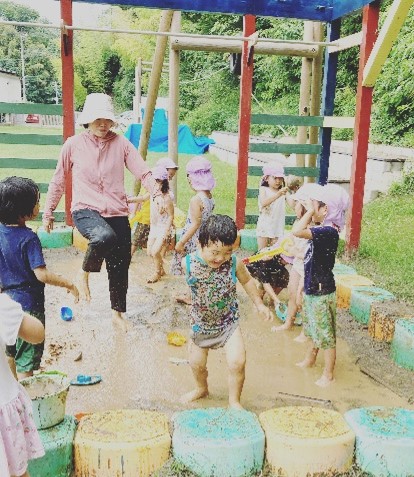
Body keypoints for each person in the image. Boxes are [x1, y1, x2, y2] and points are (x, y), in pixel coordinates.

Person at [42, 93, 162, 329]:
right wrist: (48, 212)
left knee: (120, 265)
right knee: (104, 236)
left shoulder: (121, 144)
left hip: (117, 212)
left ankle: (118, 314)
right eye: (98, 119)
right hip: (85, 210)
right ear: (88, 119)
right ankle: (83, 273)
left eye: (107, 119)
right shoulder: (73, 145)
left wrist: (156, 194)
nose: (103, 124)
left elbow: (143, 172)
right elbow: (58, 180)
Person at [180, 214, 273, 408]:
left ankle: (234, 401)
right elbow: (193, 288)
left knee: (237, 362)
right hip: (200, 325)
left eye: (227, 252)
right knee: (196, 364)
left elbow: (247, 281)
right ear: (200, 244)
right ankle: (201, 388)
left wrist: (259, 304)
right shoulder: (187, 263)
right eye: (215, 252)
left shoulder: (234, 263)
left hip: (228, 323)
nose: (220, 258)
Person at [0, 177, 79, 380]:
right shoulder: (29, 238)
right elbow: (41, 274)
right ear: (24, 210)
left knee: (10, 354)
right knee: (26, 360)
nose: (38, 204)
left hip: (6, 306)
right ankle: (26, 392)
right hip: (29, 307)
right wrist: (68, 283)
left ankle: (12, 388)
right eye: (36, 201)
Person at [293, 185, 349, 387]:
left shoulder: (328, 232)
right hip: (313, 287)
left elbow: (296, 231)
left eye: (313, 205)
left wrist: (308, 212)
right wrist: (302, 286)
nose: (309, 209)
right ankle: (310, 359)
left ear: (325, 209)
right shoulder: (322, 230)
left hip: (321, 291)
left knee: (325, 335)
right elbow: (310, 260)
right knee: (313, 328)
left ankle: (328, 374)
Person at [0, 294, 46, 477]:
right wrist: (12, 311)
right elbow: (38, 333)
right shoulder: (2, 306)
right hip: (4, 416)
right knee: (18, 473)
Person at [170, 156, 215, 304]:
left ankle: (191, 296)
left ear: (192, 179)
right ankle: (198, 293)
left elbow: (195, 224)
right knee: (200, 266)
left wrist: (181, 242)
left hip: (192, 239)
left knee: (190, 266)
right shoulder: (209, 196)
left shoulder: (196, 200)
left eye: (189, 176)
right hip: (203, 237)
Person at [144, 166, 174, 283]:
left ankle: (157, 273)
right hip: (154, 227)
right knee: (149, 252)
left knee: (155, 251)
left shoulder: (167, 197)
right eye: (154, 181)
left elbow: (171, 215)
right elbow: (143, 198)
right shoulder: (153, 193)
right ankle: (161, 269)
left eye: (158, 181)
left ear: (164, 182)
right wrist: (129, 200)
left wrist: (167, 231)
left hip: (163, 227)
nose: (155, 184)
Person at [256, 163, 289, 250]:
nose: (278, 181)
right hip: (264, 226)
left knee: (274, 252)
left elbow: (292, 204)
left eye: (280, 178)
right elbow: (263, 202)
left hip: (277, 226)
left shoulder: (283, 192)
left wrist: (291, 189)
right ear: (266, 178)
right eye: (275, 178)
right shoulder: (264, 189)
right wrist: (278, 194)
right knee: (262, 251)